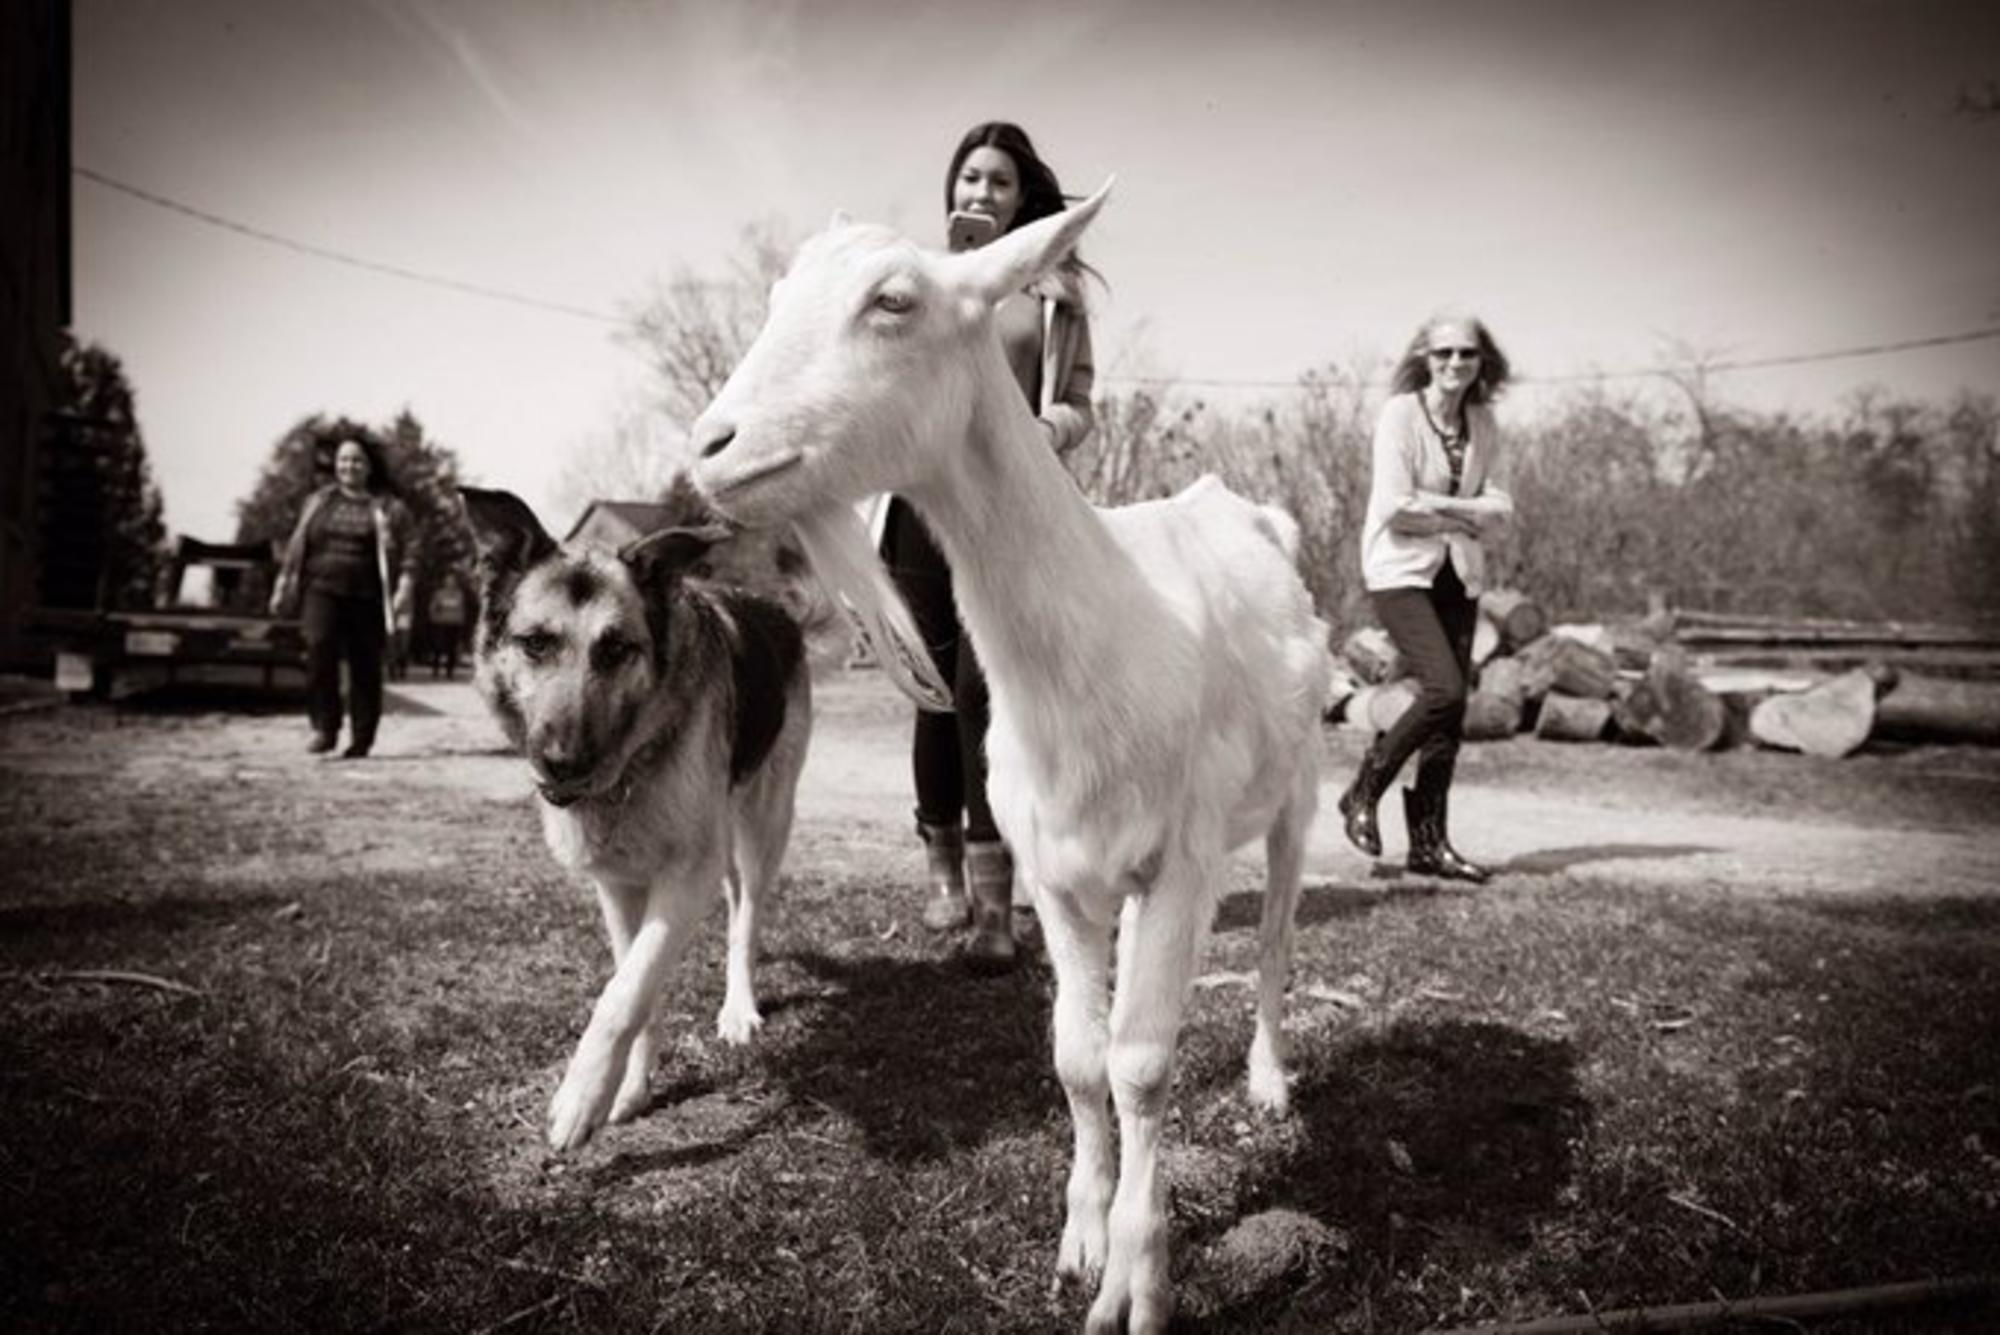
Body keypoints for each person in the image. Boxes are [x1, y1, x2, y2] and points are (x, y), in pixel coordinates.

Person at [879, 120, 1098, 971]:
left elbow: (1081, 398)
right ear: (952, 190)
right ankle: (944, 871)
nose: (981, 193)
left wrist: (1048, 427)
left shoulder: (1056, 298)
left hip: (1007, 516)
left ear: (1023, 197)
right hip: (919, 513)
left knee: (985, 694)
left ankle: (997, 908)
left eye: (998, 182)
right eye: (969, 178)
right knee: (933, 691)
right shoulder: (916, 282)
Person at [1339, 313, 1515, 882]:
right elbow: (1394, 508)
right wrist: (1469, 512)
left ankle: (1428, 844)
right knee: (1443, 688)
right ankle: (1365, 789)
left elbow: (1502, 510)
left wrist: (1441, 507)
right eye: (1443, 354)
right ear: (1424, 358)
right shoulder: (1400, 415)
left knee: (1452, 712)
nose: (1455, 364)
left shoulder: (1483, 423)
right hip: (1399, 572)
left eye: (1466, 353)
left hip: (1458, 573)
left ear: (1481, 361)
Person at [270, 436, 416, 758]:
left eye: (356, 460)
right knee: (319, 648)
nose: (349, 466)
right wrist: (283, 583)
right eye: (343, 460)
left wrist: (405, 585)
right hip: (322, 590)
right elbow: (297, 546)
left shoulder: (389, 507)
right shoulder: (318, 502)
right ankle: (326, 727)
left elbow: (410, 551)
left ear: (369, 466)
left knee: (365, 666)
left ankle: (362, 738)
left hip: (369, 596)